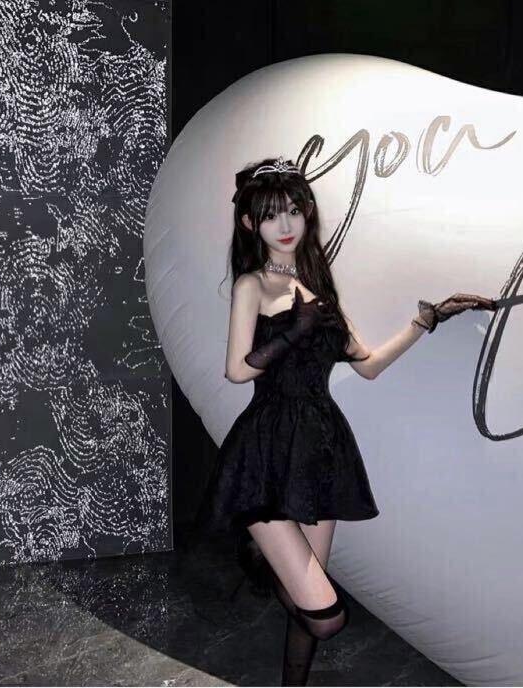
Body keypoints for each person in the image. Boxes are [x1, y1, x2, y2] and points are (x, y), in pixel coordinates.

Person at [192, 156, 496, 686]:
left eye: (293, 210)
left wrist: (427, 320)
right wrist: (294, 329)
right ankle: (259, 556)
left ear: (307, 213)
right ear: (249, 223)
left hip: (319, 449)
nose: (285, 225)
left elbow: (368, 364)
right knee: (325, 616)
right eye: (270, 215)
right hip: (264, 451)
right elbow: (237, 370)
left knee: (305, 610)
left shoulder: (320, 289)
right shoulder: (252, 286)